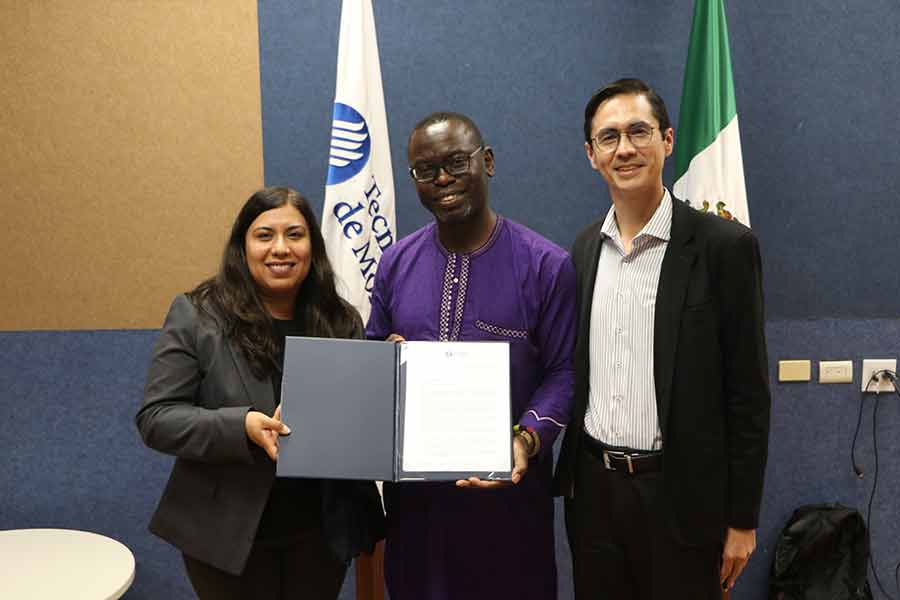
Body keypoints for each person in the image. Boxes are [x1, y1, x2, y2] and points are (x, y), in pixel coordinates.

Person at [554, 78, 771, 599]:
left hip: (683, 500)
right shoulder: (583, 251)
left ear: (668, 141)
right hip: (595, 498)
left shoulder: (724, 248)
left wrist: (742, 520)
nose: (624, 148)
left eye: (638, 132)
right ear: (591, 154)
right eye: (609, 138)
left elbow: (748, 396)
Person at [137, 186, 384, 600]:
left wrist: (386, 377)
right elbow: (156, 418)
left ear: (313, 245)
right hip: (225, 536)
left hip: (319, 536)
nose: (281, 248)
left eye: (295, 234)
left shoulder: (341, 320)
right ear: (243, 245)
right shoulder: (198, 314)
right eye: (264, 235)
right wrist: (242, 425)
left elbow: (358, 422)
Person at [366, 112, 576, 599]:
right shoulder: (396, 262)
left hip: (507, 503)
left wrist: (526, 439)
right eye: (425, 169)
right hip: (416, 509)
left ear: (488, 162)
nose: (442, 179)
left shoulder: (546, 265)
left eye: (456, 162)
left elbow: (564, 371)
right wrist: (383, 361)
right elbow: (374, 351)